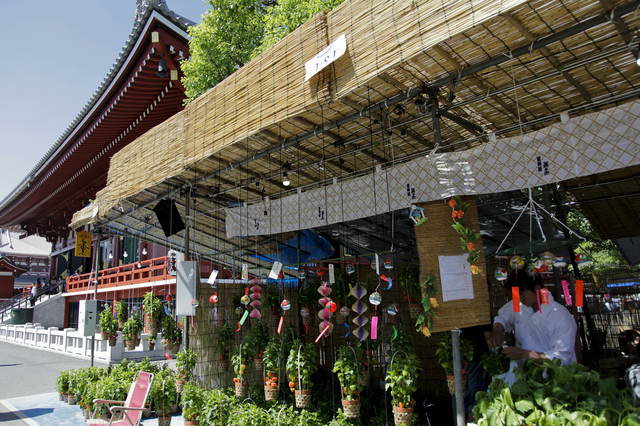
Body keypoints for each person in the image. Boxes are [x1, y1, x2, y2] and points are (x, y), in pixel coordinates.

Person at [488, 267, 577, 367]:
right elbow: (502, 318)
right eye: (516, 295)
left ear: (538, 289)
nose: (520, 299)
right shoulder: (519, 305)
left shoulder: (559, 316)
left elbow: (561, 357)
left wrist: (524, 354)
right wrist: (498, 331)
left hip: (554, 377)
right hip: (525, 376)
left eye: (523, 295)